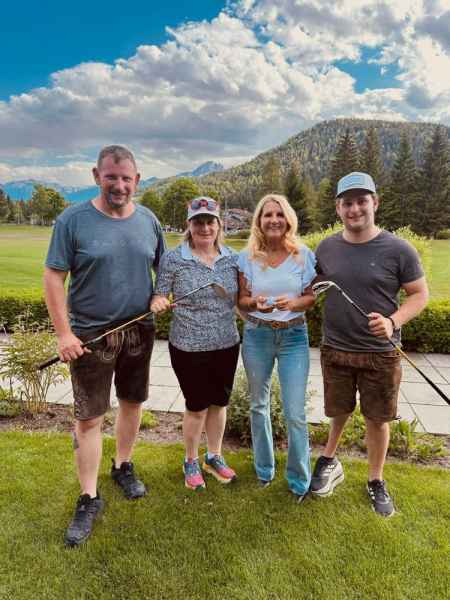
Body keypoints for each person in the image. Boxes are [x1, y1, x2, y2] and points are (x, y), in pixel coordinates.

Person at [44, 145, 166, 546]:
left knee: (132, 403)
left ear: (137, 180)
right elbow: (53, 277)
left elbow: (164, 269)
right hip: (90, 337)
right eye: (111, 177)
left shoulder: (149, 221)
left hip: (139, 331)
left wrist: (159, 294)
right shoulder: (73, 220)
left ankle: (123, 465)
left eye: (126, 178)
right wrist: (64, 334)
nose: (119, 185)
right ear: (97, 176)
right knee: (90, 418)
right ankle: (88, 496)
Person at [311, 171, 429, 517]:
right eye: (347, 203)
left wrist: (393, 321)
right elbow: (311, 285)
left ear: (374, 203)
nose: (355, 209)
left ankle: (375, 480)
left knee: (377, 420)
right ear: (338, 208)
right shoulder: (326, 247)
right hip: (335, 348)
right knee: (338, 411)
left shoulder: (399, 249)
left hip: (380, 353)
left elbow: (419, 294)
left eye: (361, 201)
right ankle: (329, 461)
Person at [151, 197, 240, 490]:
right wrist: (159, 302)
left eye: (210, 221)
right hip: (188, 346)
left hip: (226, 343)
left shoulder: (233, 258)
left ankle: (214, 456)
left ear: (219, 224)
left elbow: (242, 299)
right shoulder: (174, 259)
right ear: (189, 225)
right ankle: (190, 459)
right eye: (198, 222)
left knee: (219, 403)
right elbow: (159, 294)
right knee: (197, 406)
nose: (204, 227)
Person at [237, 194, 316, 502]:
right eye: (267, 214)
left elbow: (311, 297)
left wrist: (294, 303)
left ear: (288, 219)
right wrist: (254, 303)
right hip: (257, 334)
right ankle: (264, 470)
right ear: (259, 220)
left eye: (279, 214)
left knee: (295, 412)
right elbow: (242, 300)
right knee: (259, 405)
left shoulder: (302, 255)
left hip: (294, 336)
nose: (274, 220)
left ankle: (299, 480)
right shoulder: (247, 258)